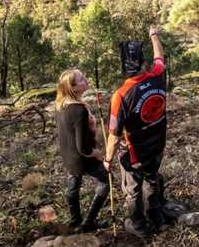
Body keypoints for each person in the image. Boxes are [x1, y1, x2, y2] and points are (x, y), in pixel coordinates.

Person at [103, 27, 168, 240]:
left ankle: (138, 224)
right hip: (157, 144)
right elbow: (160, 56)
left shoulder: (120, 96)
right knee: (152, 180)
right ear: (143, 64)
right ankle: (156, 216)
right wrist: (154, 35)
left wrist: (107, 159)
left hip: (134, 153)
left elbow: (113, 135)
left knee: (133, 189)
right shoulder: (158, 75)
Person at [54, 69, 110, 232]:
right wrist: (97, 154)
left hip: (68, 155)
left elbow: (70, 133)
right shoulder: (79, 110)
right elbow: (83, 147)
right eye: (81, 80)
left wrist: (90, 127)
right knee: (105, 180)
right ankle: (88, 223)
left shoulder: (60, 104)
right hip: (82, 156)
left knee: (74, 183)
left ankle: (75, 219)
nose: (85, 80)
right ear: (73, 87)